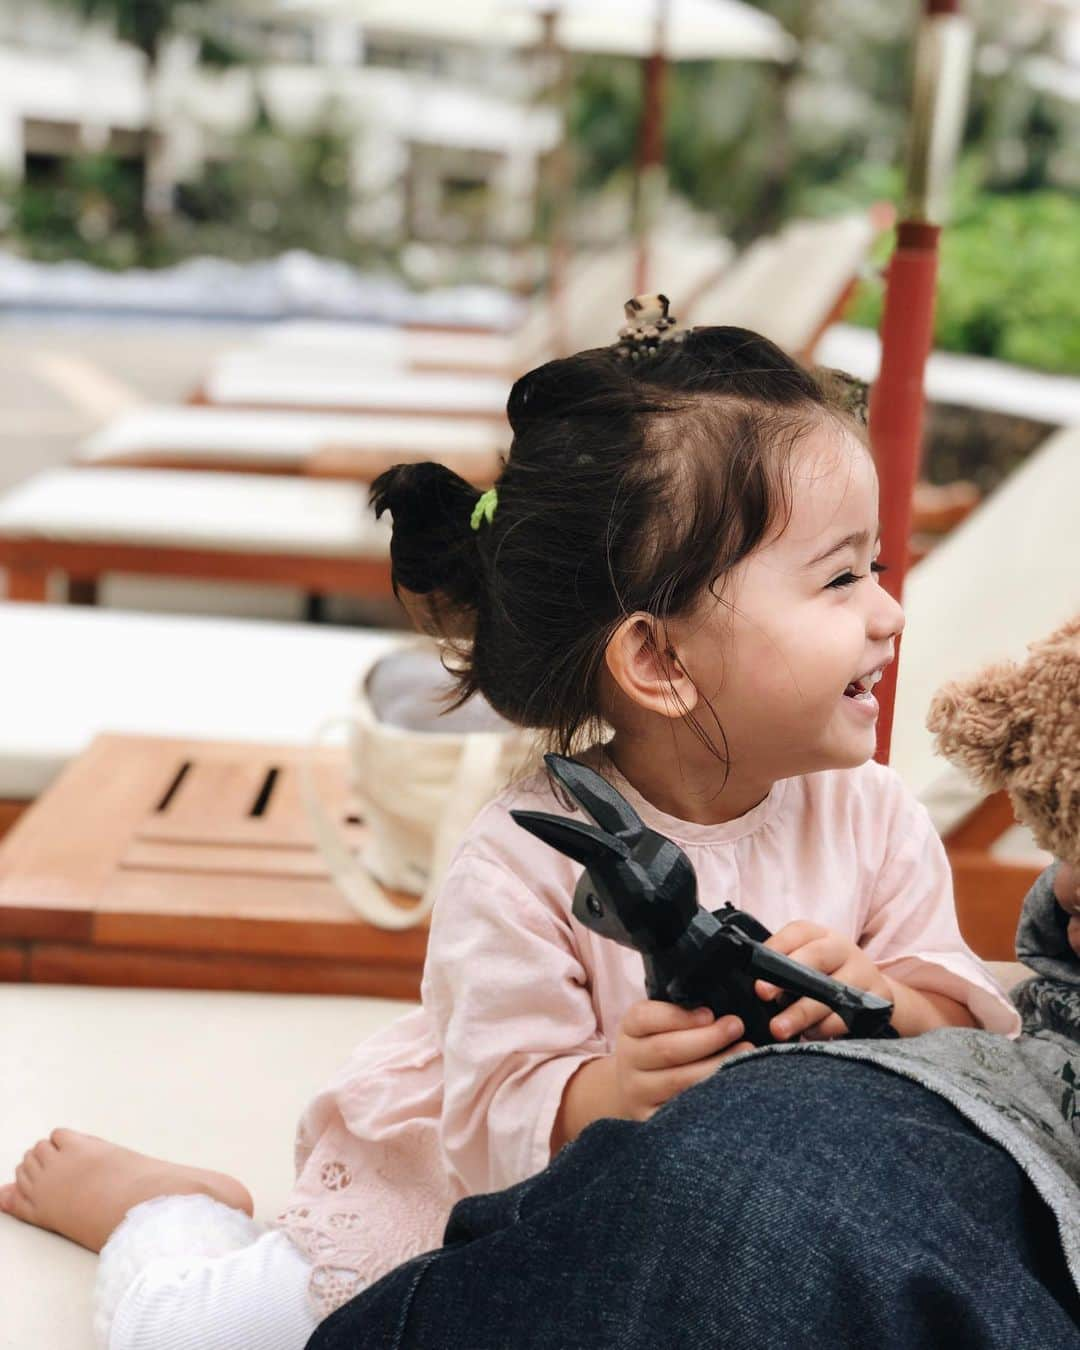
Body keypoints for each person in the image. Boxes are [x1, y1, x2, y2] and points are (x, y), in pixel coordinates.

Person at [0, 319, 1020, 1350]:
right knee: (198, 1335)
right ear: (661, 663)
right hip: (481, 1215)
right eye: (841, 578)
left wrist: (885, 995)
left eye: (878, 566)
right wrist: (615, 1090)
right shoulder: (528, 855)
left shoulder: (873, 812)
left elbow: (970, 1019)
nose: (889, 613)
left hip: (734, 1231)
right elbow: (494, 1122)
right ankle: (169, 1213)